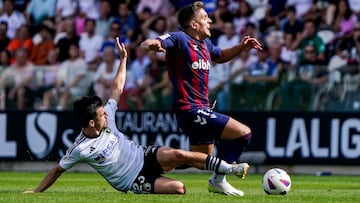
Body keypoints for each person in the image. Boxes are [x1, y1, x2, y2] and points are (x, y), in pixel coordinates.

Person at [24, 37, 249, 195]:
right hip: (133, 180)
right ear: (91, 122)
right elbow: (56, 170)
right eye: (102, 114)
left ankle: (230, 169)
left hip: (144, 155)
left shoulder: (107, 116)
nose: (107, 114)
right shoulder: (80, 148)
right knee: (179, 188)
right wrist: (36, 192)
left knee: (181, 154)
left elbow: (116, 88)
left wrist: (123, 60)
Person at [140, 1, 262, 196]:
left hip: (200, 109)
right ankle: (218, 179)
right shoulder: (179, 38)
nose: (210, 20)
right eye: (205, 17)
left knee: (202, 159)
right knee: (243, 134)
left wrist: (241, 47)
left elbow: (220, 55)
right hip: (190, 110)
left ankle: (150, 166)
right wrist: (152, 45)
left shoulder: (205, 44)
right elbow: (154, 41)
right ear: (193, 25)